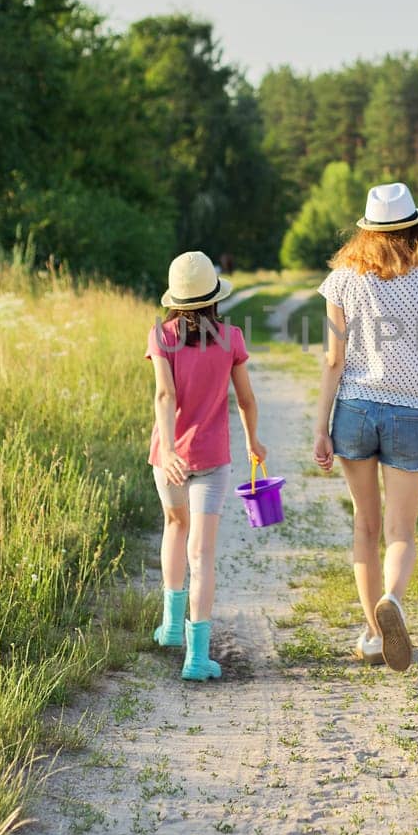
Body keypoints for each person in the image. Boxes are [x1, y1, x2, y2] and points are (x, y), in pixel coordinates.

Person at [313, 182, 418, 672]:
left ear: (366, 231)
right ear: (413, 229)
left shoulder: (342, 281)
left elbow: (334, 360)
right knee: (400, 531)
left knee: (365, 526)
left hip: (354, 409)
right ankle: (392, 602)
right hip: (410, 413)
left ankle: (376, 636)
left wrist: (321, 428)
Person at [148, 251, 267, 682]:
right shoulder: (231, 338)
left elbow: (165, 397)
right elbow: (246, 400)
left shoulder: (161, 337)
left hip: (171, 460)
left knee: (173, 527)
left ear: (175, 301)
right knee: (203, 553)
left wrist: (171, 449)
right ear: (214, 298)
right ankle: (197, 658)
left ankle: (170, 629)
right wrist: (255, 442)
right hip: (213, 460)